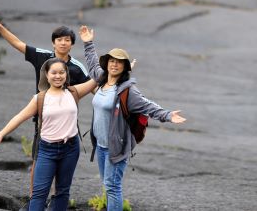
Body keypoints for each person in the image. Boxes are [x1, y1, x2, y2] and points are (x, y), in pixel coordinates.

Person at [79, 26, 186, 210]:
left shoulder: (128, 91)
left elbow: (147, 105)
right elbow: (92, 63)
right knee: (108, 186)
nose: (114, 64)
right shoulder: (102, 78)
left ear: (125, 67)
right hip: (102, 146)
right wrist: (88, 42)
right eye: (111, 61)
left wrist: (167, 115)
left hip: (117, 147)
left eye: (119, 62)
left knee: (113, 187)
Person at [0, 58, 98, 210]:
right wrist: (1, 133)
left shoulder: (74, 92)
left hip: (70, 149)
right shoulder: (40, 98)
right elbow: (20, 116)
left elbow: (98, 78)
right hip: (47, 150)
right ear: (46, 74)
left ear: (66, 74)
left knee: (62, 191)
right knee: (39, 193)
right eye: (54, 72)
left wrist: (120, 65)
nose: (58, 76)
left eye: (61, 72)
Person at [0, 12, 90, 91]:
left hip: (68, 119)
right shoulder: (42, 56)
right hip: (42, 117)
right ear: (53, 43)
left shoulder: (78, 67)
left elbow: (92, 87)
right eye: (59, 40)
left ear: (72, 44)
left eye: (67, 40)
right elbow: (17, 43)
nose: (63, 43)